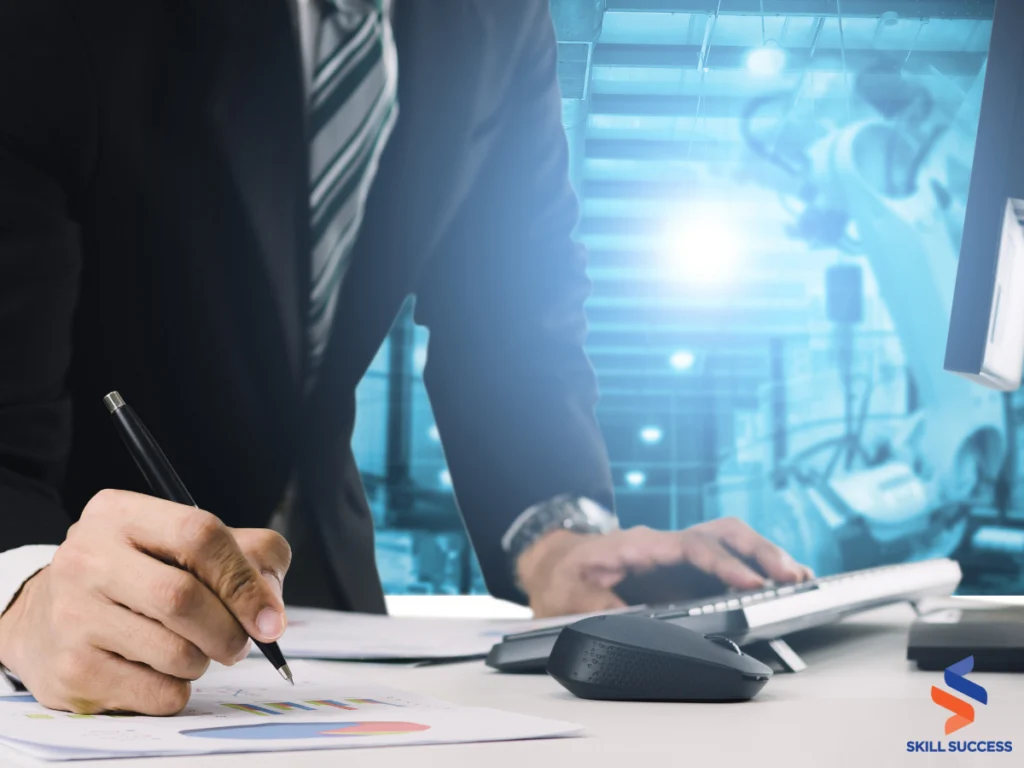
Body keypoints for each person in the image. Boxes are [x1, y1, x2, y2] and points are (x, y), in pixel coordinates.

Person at [0, 0, 813, 716]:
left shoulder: (500, 18)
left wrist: (563, 544)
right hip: (72, 586)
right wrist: (22, 587)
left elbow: (512, 318)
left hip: (324, 597)